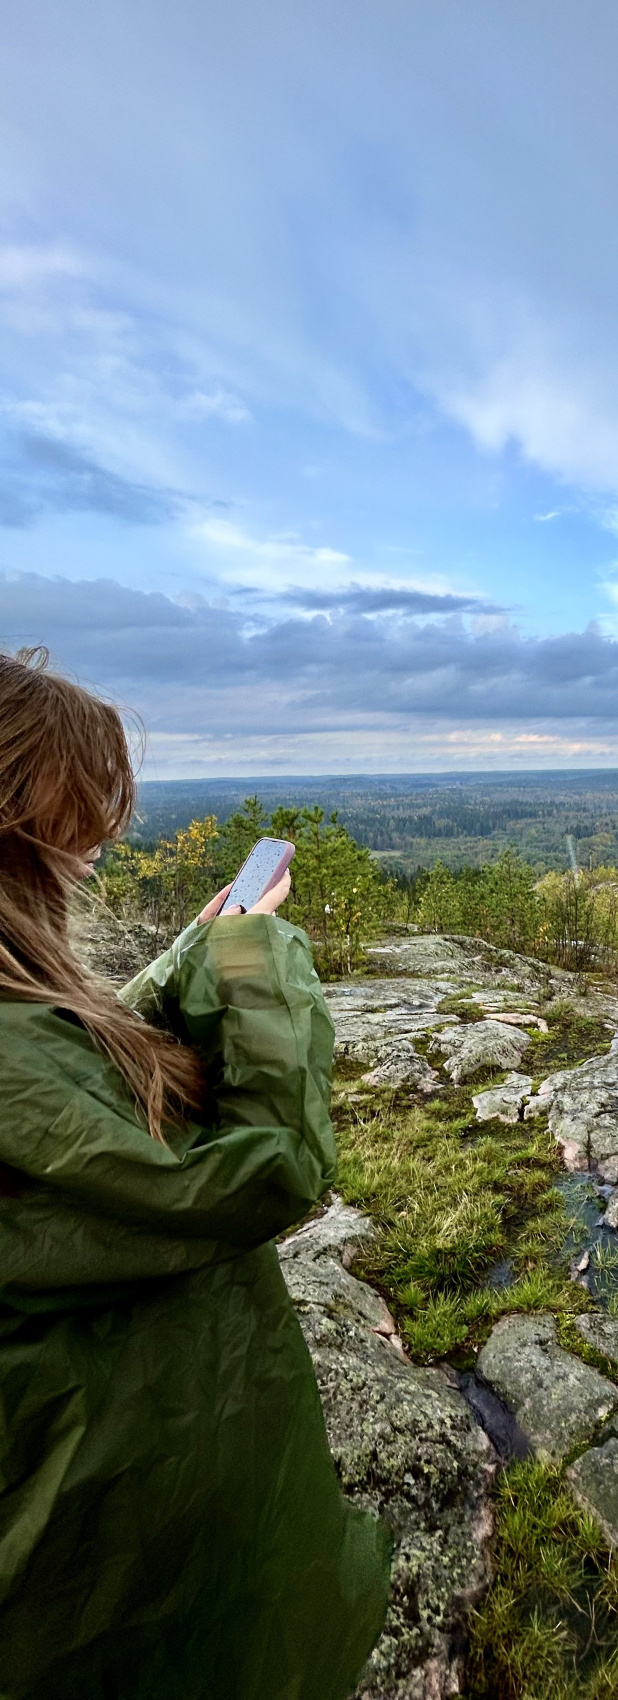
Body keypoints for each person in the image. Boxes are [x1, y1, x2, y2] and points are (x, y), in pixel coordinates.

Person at [0, 649, 390, 1700]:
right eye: (75, 834)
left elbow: (72, 1081)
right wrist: (255, 961)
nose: (86, 863)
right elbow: (267, 1169)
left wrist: (184, 960)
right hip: (119, 1573)